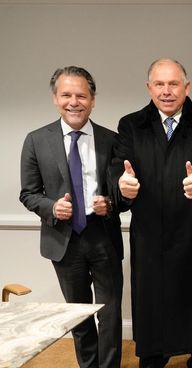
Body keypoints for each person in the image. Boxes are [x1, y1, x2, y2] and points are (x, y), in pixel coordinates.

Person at [112, 58, 192, 368]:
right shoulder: (131, 124)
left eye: (173, 83)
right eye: (159, 84)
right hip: (152, 238)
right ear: (149, 87)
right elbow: (118, 166)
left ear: (186, 87)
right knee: (154, 316)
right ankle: (154, 358)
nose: (166, 91)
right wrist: (122, 184)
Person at [19, 66, 123, 368]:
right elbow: (28, 193)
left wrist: (110, 204)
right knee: (78, 314)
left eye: (81, 95)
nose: (73, 102)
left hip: (103, 235)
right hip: (63, 240)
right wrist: (52, 207)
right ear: (55, 98)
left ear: (92, 100)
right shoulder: (36, 140)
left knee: (110, 313)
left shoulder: (111, 140)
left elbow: (122, 194)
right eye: (66, 95)